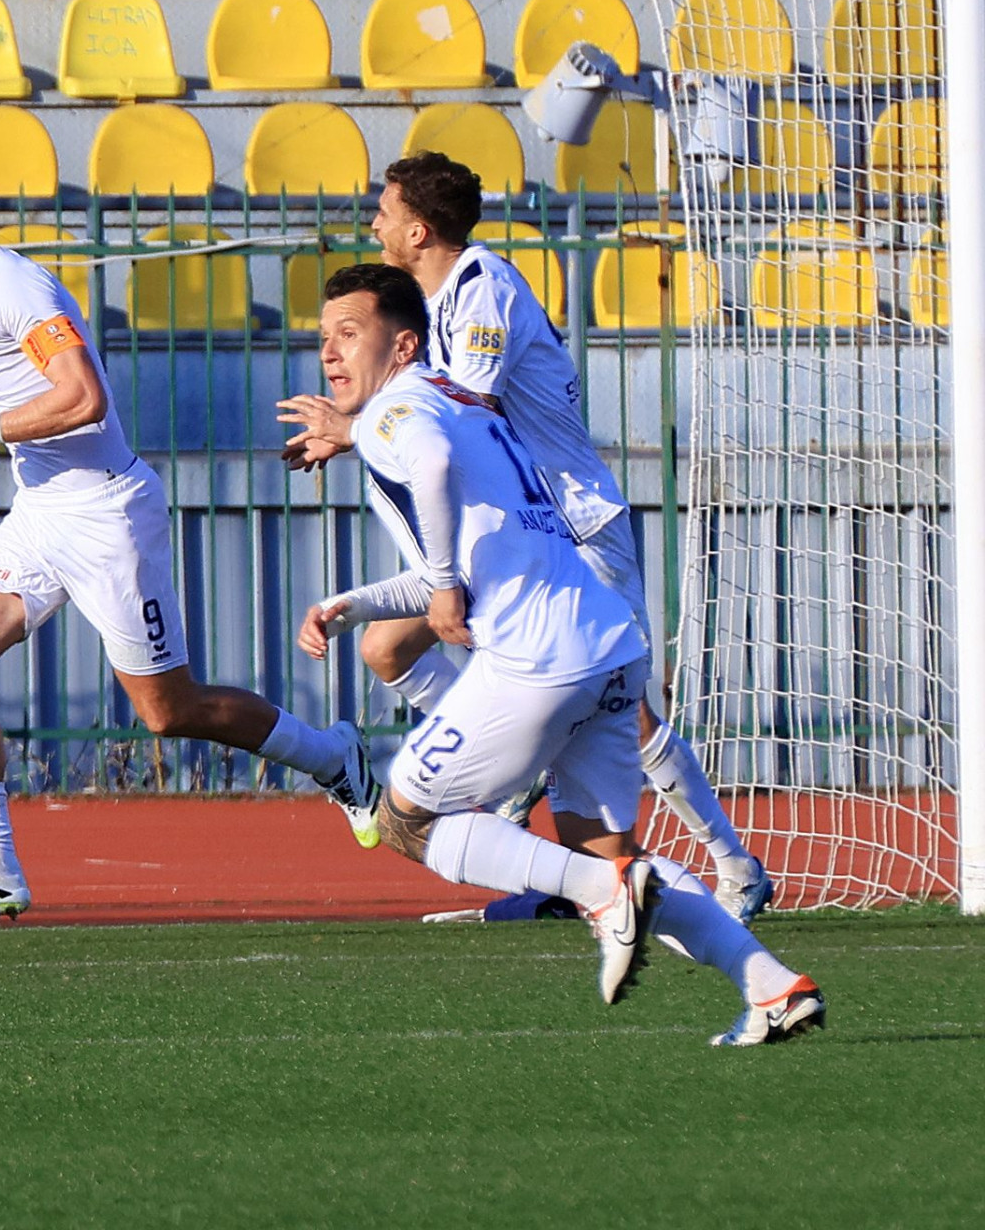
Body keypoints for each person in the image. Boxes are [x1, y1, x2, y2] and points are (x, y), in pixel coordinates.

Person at [297, 264, 822, 1045]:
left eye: (350, 334)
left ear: (403, 343)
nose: (332, 355)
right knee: (608, 851)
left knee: (406, 821)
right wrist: (363, 605)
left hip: (540, 659)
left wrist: (439, 587)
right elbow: (491, 551)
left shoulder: (393, 411)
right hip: (608, 643)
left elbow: (436, 486)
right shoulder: (468, 403)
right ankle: (774, 986)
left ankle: (606, 894)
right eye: (323, 340)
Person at [281, 153, 772, 922]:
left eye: (383, 210)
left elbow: (462, 410)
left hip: (570, 524)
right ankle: (527, 789)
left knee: (624, 706)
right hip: (512, 533)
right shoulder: (423, 309)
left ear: (417, 228)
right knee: (386, 648)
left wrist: (351, 428)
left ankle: (733, 866)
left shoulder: (482, 288)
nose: (372, 223)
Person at [0, 157, 377, 922]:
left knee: (166, 710)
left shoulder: (13, 286)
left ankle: (332, 757)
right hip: (42, 511)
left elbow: (82, 398)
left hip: (108, 512)